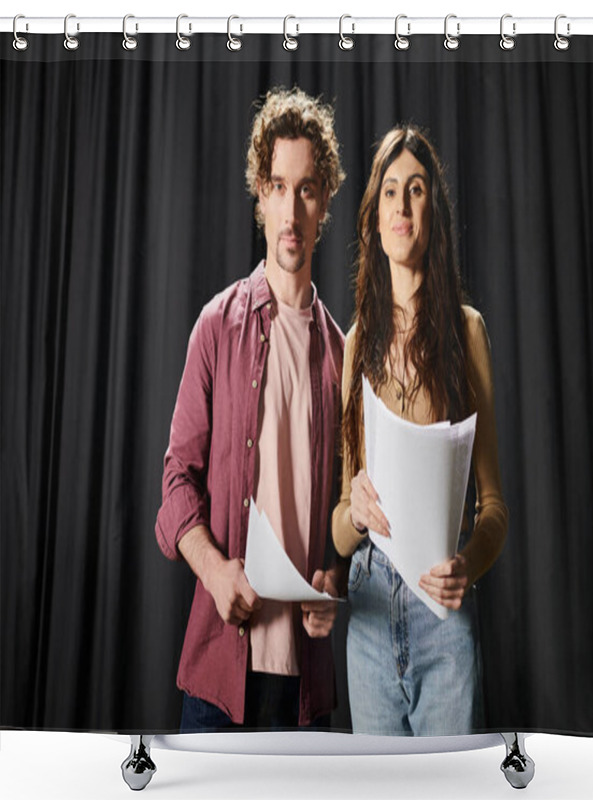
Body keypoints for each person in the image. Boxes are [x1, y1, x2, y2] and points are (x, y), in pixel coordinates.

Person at [156, 87, 347, 732]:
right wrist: (213, 570)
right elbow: (176, 479)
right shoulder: (216, 325)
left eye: (308, 188)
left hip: (305, 689)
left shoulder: (343, 356)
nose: (291, 208)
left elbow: (354, 512)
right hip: (218, 675)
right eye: (278, 185)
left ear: (325, 202)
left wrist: (334, 582)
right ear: (259, 195)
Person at [332, 125, 508, 735]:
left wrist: (468, 564)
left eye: (416, 189)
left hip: (444, 614)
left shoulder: (468, 332)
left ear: (433, 210)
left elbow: (494, 510)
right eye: (389, 192)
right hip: (370, 615)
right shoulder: (353, 346)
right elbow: (337, 528)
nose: (402, 205)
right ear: (373, 221)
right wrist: (353, 512)